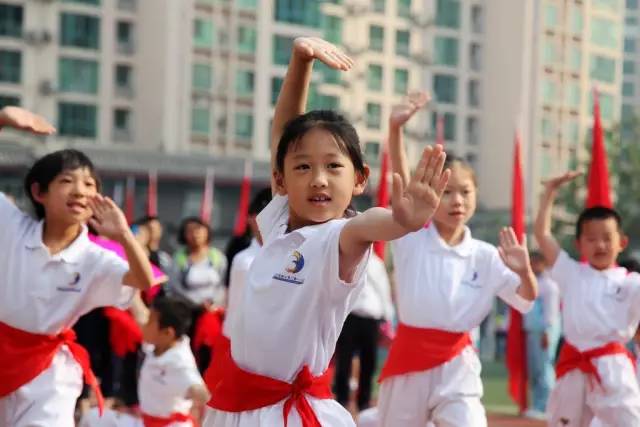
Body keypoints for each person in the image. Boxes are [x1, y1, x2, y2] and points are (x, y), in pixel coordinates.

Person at [202, 36, 450, 426]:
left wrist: (403, 222)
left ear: (360, 178)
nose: (318, 179)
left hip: (289, 413)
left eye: (334, 167)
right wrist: (301, 60)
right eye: (303, 168)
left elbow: (371, 224)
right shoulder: (277, 223)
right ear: (280, 180)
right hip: (235, 406)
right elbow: (283, 135)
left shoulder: (340, 236)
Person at [376, 92, 537, 427]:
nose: (456, 201)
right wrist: (395, 130)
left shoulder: (486, 255)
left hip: (458, 365)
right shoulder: (411, 237)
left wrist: (525, 272)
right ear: (431, 196)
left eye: (465, 192)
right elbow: (405, 191)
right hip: (409, 359)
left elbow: (525, 299)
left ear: (476, 196)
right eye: (446, 192)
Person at [0, 107, 155, 426]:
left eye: (89, 184)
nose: (81, 191)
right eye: (67, 181)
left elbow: (142, 279)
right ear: (38, 192)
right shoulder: (11, 227)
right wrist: (2, 119)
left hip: (47, 374)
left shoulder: (95, 257)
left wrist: (125, 235)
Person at [534, 171, 640, 426]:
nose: (600, 245)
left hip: (613, 367)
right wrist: (549, 193)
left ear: (621, 243)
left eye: (607, 238)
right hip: (574, 365)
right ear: (579, 244)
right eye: (591, 239)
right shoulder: (570, 273)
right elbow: (543, 235)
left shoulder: (631, 282)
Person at [334, 253, 394, 412]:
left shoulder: (376, 262)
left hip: (371, 318)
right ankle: (341, 399)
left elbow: (384, 289)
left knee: (369, 363)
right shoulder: (346, 256)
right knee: (344, 361)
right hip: (350, 316)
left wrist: (386, 317)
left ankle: (364, 402)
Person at [138, 296, 210, 426]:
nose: (144, 324)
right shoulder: (158, 343)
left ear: (167, 333)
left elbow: (202, 394)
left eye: (149, 321)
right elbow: (139, 314)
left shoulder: (179, 363)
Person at [169, 216, 227, 371]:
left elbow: (222, 284)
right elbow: (175, 286)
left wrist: (213, 303)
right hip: (187, 312)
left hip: (211, 312)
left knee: (209, 350)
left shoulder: (217, 257)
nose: (195, 234)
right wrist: (196, 303)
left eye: (199, 230)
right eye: (190, 231)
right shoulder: (179, 257)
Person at [522, 252, 560, 420]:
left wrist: (547, 331)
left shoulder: (549, 285)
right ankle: (538, 404)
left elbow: (551, 312)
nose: (533, 265)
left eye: (536, 262)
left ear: (544, 263)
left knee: (545, 369)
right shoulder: (534, 282)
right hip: (533, 331)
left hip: (544, 332)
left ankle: (547, 406)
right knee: (537, 370)